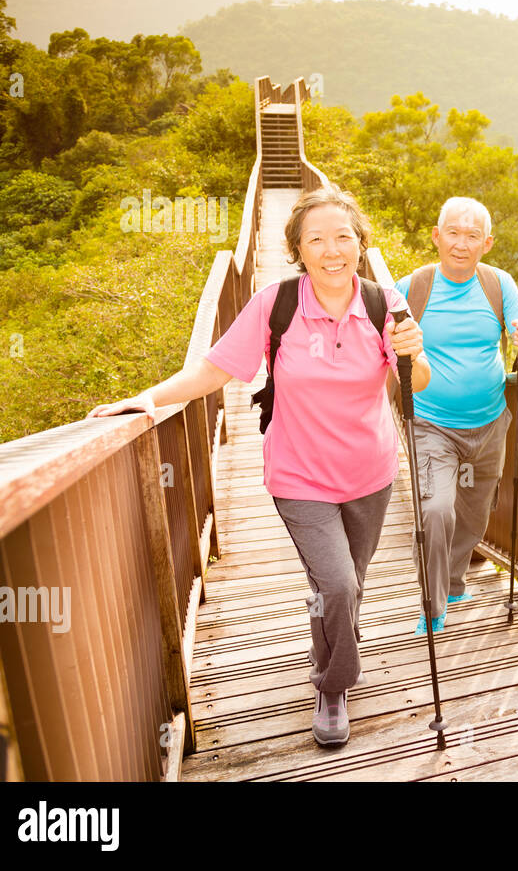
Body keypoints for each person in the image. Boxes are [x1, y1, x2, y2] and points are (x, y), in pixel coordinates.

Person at [87, 185, 428, 748]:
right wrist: (149, 399)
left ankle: (328, 635)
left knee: (345, 585)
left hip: (372, 473)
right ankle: (334, 684)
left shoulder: (384, 305)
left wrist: (417, 351)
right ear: (297, 248)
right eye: (316, 239)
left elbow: (412, 387)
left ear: (361, 244)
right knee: (339, 584)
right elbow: (216, 370)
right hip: (299, 475)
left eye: (343, 236)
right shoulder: (277, 304)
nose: (332, 249)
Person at [395, 196, 518, 634]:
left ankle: (456, 580)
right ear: (437, 237)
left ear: (487, 243)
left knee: (476, 514)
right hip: (429, 423)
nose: (462, 244)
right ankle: (433, 602)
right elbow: (383, 347)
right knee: (437, 508)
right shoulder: (411, 288)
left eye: (472, 235)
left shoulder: (499, 284)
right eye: (453, 233)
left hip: (490, 422)